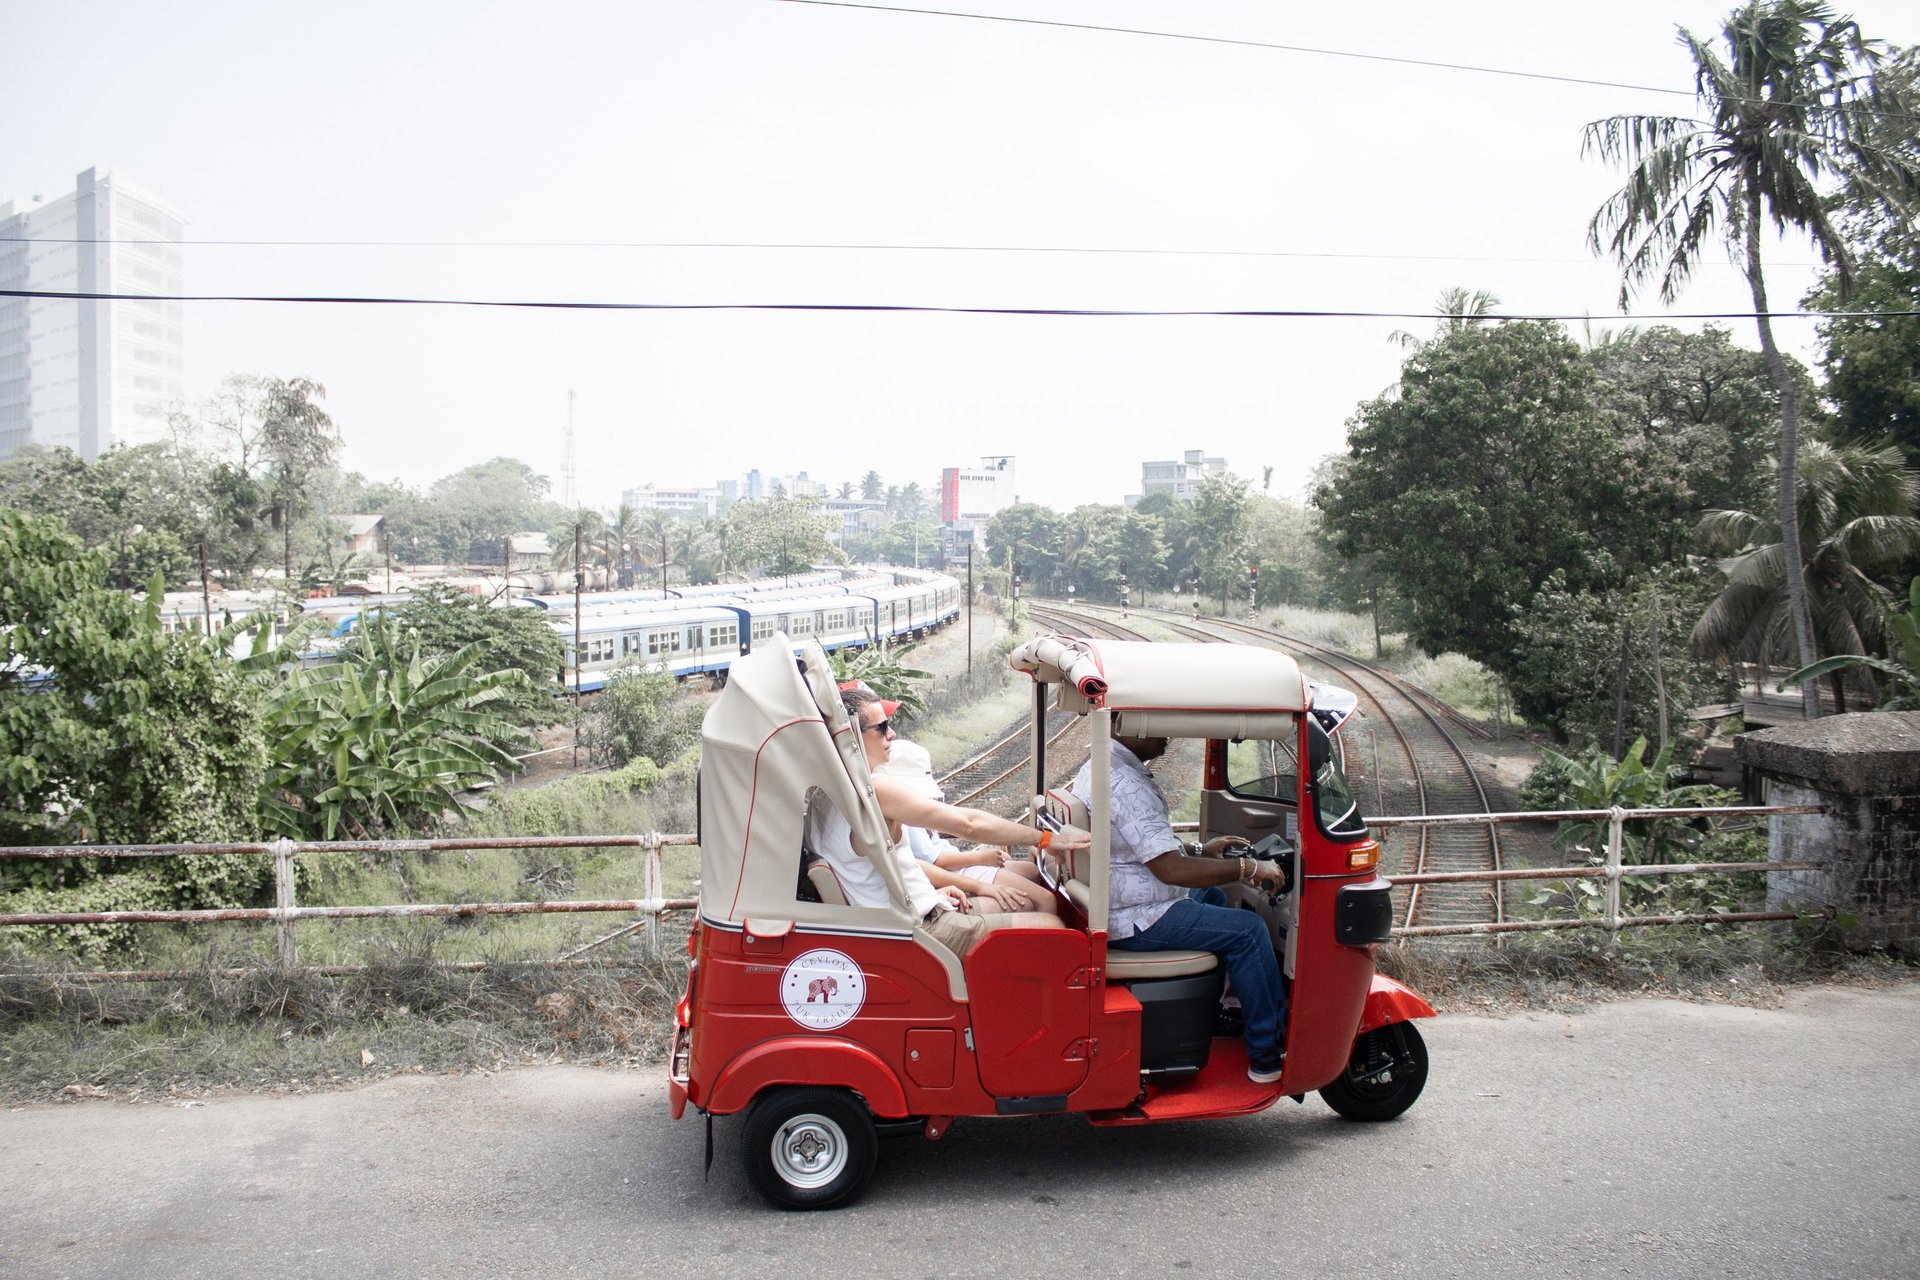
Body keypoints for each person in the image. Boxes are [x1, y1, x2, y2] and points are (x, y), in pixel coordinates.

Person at [1071, 732, 1291, 1082]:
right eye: (1158, 725)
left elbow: (1137, 848)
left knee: (1214, 898)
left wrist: (1201, 850)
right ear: (1132, 728)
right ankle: (1269, 1053)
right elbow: (1170, 869)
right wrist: (1247, 868)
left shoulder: (1103, 764)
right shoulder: (1126, 784)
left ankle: (1210, 1013)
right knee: (1248, 932)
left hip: (1124, 900)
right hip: (1136, 916)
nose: (1168, 735)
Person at [809, 688, 1081, 955]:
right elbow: (969, 824)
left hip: (907, 913)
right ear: (852, 736)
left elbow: (879, 865)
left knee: (1023, 902)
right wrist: (1045, 839)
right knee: (1050, 925)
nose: (891, 734)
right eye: (882, 727)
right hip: (922, 928)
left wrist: (936, 891)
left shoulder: (822, 796)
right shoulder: (875, 792)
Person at [873, 736, 1057, 917]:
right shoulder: (901, 816)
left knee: (1031, 870)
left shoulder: (904, 810)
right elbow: (938, 857)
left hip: (956, 867)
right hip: (953, 872)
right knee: (1045, 900)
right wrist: (980, 858)